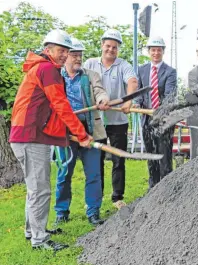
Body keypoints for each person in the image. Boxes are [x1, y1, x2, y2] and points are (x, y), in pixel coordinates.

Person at [9, 29, 92, 251]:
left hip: (27, 135)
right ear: (48, 50)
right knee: (41, 189)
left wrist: (69, 133)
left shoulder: (41, 68)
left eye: (67, 51)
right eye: (60, 50)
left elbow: (50, 111)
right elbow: (61, 105)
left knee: (34, 188)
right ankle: (40, 239)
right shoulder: (47, 70)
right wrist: (82, 133)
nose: (64, 55)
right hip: (30, 137)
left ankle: (33, 231)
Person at [54, 38, 110, 227]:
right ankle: (61, 211)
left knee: (94, 174)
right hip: (66, 134)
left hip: (90, 133)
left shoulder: (91, 75)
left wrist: (102, 100)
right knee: (64, 173)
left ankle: (93, 211)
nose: (78, 59)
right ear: (66, 56)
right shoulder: (56, 77)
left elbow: (99, 91)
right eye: (74, 55)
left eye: (80, 55)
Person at [84, 29, 138, 209]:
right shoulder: (90, 64)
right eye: (108, 46)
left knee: (118, 160)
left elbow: (132, 82)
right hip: (96, 121)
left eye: (114, 47)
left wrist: (128, 101)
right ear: (102, 45)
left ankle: (117, 197)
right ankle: (96, 198)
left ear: (118, 49)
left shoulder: (123, 65)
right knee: (96, 160)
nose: (111, 50)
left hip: (118, 121)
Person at [135, 36, 177, 188]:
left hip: (164, 121)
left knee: (164, 155)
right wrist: (138, 104)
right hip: (147, 120)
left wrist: (160, 111)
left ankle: (167, 188)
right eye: (153, 50)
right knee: (151, 154)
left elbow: (169, 95)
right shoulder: (142, 70)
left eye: (158, 50)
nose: (155, 53)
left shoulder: (170, 72)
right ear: (149, 51)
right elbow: (140, 92)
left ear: (163, 52)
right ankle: (153, 187)